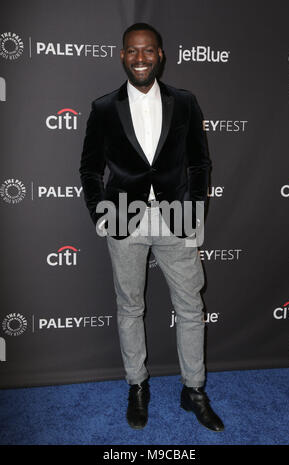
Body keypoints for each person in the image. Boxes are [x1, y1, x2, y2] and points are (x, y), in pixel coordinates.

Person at [79, 22, 224, 432]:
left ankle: (193, 390)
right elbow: (90, 168)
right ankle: (137, 386)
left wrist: (194, 214)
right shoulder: (104, 107)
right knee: (130, 308)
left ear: (160, 54)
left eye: (148, 51)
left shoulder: (185, 101)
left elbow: (199, 163)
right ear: (122, 56)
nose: (140, 58)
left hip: (176, 218)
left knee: (191, 307)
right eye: (132, 51)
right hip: (124, 217)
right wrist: (100, 213)